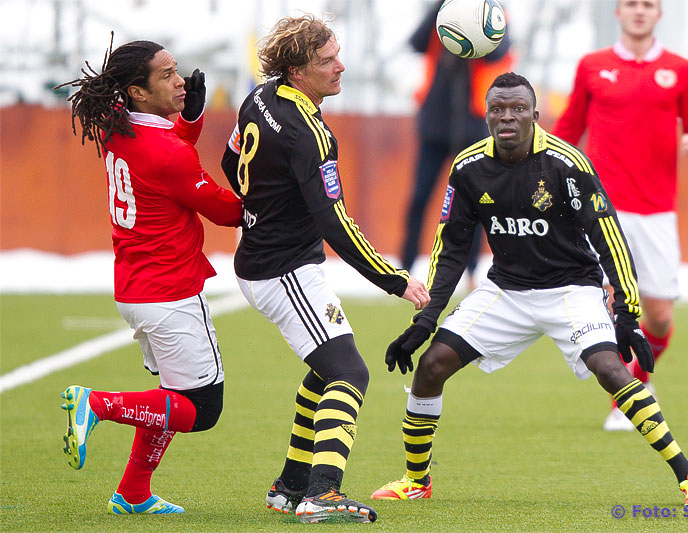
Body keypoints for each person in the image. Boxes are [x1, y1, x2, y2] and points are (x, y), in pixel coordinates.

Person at [370, 72, 688, 508]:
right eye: (497, 109)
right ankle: (416, 480)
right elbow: (451, 250)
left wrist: (627, 315)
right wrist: (425, 320)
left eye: (518, 109)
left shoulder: (568, 164)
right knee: (432, 364)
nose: (507, 117)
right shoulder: (468, 167)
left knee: (611, 370)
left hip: (571, 289)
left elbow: (610, 237)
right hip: (507, 291)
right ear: (487, 113)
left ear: (535, 114)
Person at [220, 14, 430, 524]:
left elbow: (230, 164)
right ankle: (323, 492)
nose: (341, 66)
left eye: (337, 53)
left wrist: (261, 210)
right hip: (283, 269)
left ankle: (290, 487)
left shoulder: (259, 97)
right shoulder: (309, 133)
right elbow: (334, 223)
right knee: (349, 372)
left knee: (326, 369)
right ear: (296, 69)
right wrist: (394, 279)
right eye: (326, 60)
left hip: (265, 259)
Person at [55, 36, 243, 514]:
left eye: (176, 69)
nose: (180, 81)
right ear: (137, 92)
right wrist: (279, 201)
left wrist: (190, 119)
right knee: (201, 409)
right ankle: (97, 404)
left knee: (168, 398)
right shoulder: (165, 151)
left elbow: (169, 152)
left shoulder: (117, 129)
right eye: (166, 75)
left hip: (137, 290)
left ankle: (133, 493)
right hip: (171, 293)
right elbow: (223, 211)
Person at [551, 0, 688, 431]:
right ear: (618, 12)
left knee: (658, 316)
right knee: (611, 305)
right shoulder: (592, 66)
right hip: (602, 210)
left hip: (658, 210)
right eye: (631, 4)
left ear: (658, 13)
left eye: (648, 4)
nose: (639, 11)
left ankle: (640, 380)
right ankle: (624, 399)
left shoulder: (679, 69)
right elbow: (567, 129)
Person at [400, 1, 513, 286]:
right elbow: (415, 43)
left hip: (474, 122)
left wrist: (478, 22)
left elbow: (498, 51)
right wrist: (445, 9)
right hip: (435, 121)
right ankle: (405, 267)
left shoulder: (494, 10)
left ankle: (472, 271)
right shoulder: (444, 9)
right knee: (419, 197)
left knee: (475, 200)